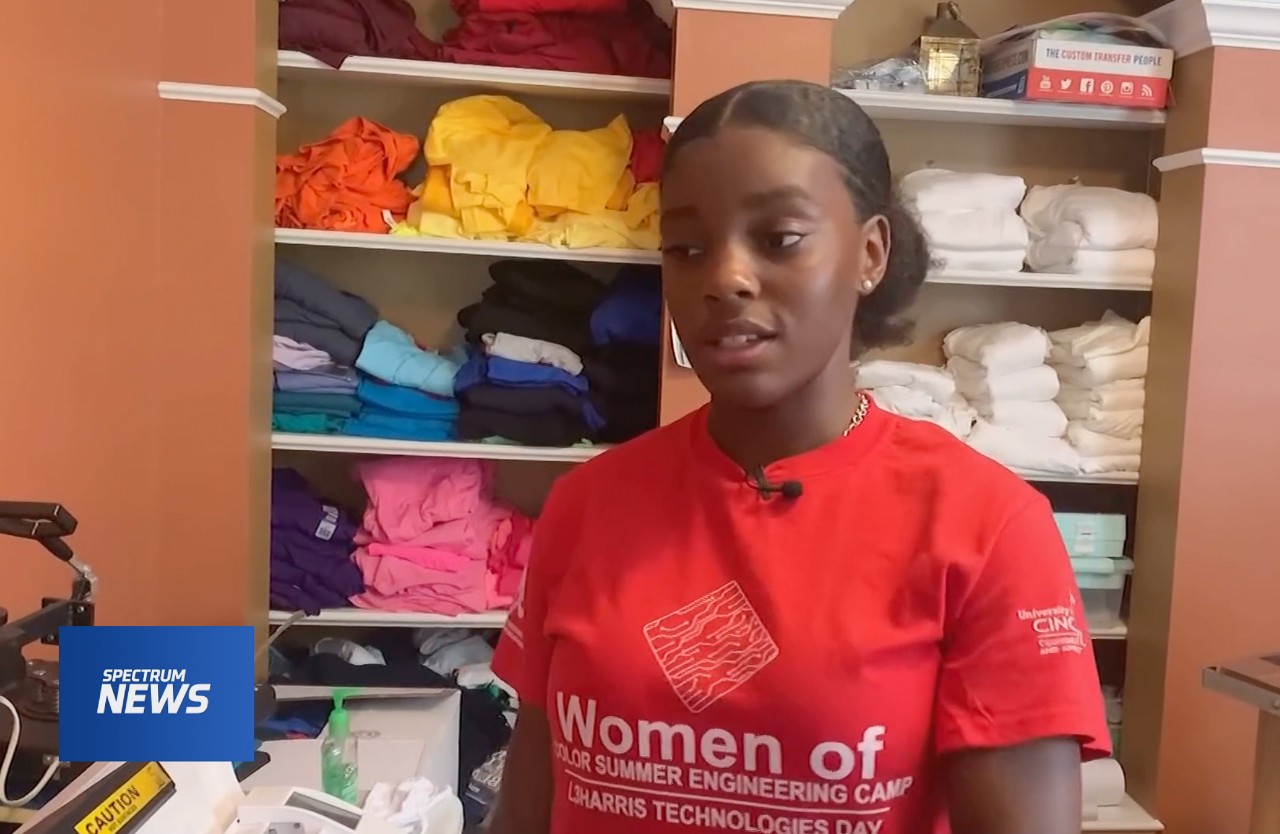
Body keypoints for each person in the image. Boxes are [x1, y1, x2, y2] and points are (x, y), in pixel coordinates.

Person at [486, 80, 1109, 834]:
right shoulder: (589, 504)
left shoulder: (985, 527)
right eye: (686, 248)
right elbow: (528, 802)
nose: (724, 279)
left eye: (779, 239)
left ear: (869, 253)